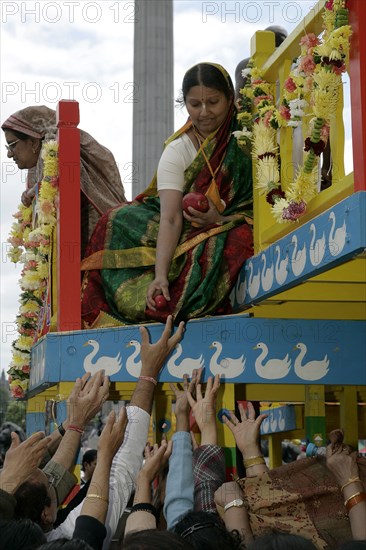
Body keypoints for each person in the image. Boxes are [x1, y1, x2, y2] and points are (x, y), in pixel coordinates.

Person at [81, 62, 253, 328]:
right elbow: (170, 218)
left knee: (234, 240)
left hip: (231, 222)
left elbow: (258, 201)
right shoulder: (178, 150)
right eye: (195, 104)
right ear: (185, 104)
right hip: (179, 223)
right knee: (117, 219)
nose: (204, 113)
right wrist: (160, 277)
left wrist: (220, 218)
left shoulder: (248, 137)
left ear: (230, 98)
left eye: (213, 102)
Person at [2, 105, 126, 257]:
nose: (9, 154)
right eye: (7, 147)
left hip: (99, 256)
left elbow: (56, 184)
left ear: (34, 142)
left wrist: (36, 189)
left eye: (13, 145)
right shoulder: (40, 169)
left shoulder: (66, 160)